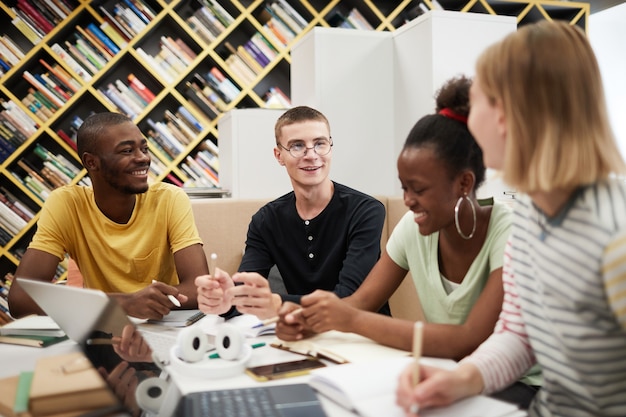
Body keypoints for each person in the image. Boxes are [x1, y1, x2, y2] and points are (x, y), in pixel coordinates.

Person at [396, 21, 626, 417]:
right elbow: (519, 335)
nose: (465, 114)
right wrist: (460, 379)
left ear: (506, 115)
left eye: (478, 98)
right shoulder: (530, 218)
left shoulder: (615, 234)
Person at [276, 78, 540, 408]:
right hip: (451, 373)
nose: (408, 201)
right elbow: (361, 302)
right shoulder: (414, 228)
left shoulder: (510, 232)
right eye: (403, 188)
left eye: (419, 189)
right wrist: (310, 321)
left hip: (522, 385)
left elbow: (470, 339)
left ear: (463, 183)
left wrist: (350, 320)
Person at [8, 112, 209, 320]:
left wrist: (142, 305)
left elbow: (198, 287)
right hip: (104, 329)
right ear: (91, 162)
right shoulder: (67, 204)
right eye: (127, 150)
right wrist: (125, 303)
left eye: (144, 148)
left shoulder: (169, 198)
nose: (143, 158)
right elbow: (20, 300)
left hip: (164, 325)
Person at [195, 105, 387, 319]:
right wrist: (226, 299)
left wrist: (277, 303)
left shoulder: (366, 211)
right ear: (279, 156)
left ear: (330, 148)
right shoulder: (265, 220)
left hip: (364, 339)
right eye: (297, 146)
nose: (311, 155)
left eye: (320, 144)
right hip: (303, 334)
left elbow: (348, 299)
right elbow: (245, 291)